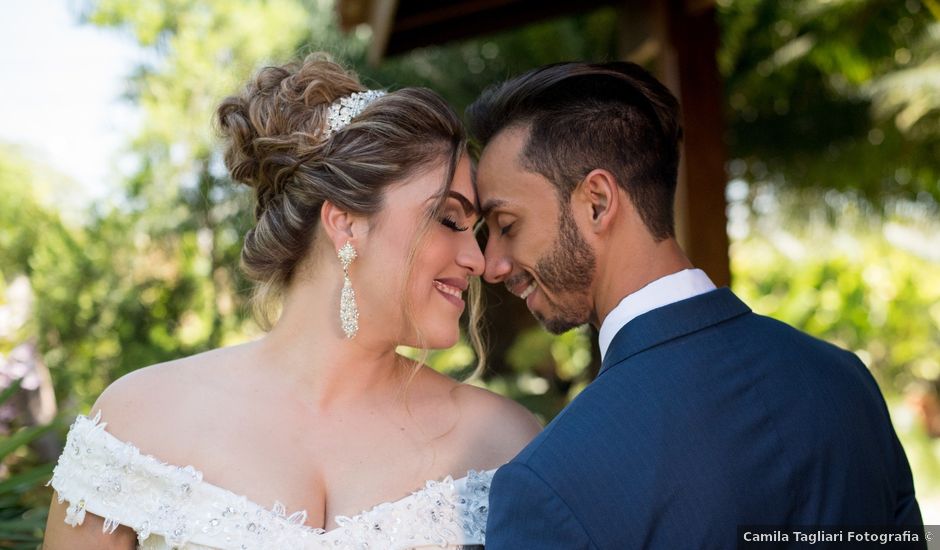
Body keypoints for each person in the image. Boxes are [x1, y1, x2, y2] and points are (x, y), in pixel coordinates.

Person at [43, 54, 540, 550]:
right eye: (450, 218)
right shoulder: (138, 420)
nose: (477, 259)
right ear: (345, 222)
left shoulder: (502, 442)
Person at [467, 61, 925, 549]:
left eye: (506, 225)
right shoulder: (844, 380)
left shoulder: (548, 486)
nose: (491, 264)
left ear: (597, 202)